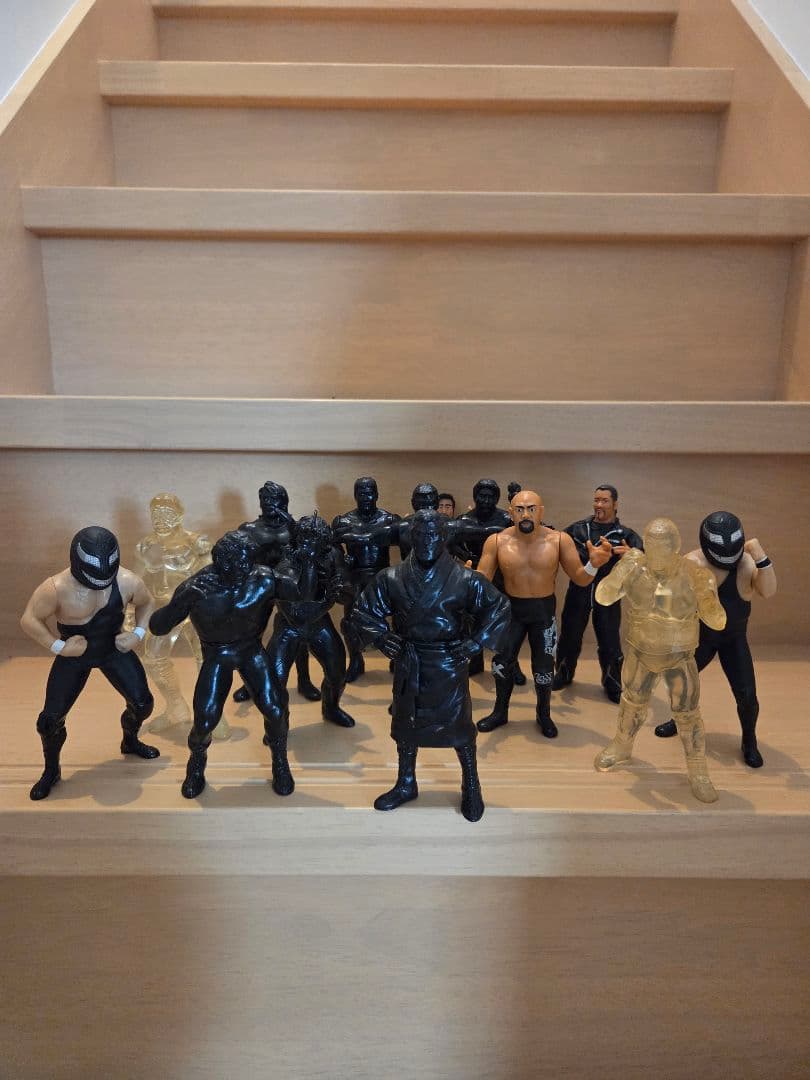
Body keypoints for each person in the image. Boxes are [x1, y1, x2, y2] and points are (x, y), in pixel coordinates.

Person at [350, 510, 510, 821]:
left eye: (434, 535)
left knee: (460, 730)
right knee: (406, 726)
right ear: (411, 538)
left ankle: (471, 784)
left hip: (448, 662)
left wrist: (476, 642)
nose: (427, 541)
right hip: (410, 661)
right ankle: (406, 782)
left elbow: (499, 607)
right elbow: (362, 611)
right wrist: (382, 637)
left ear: (445, 537)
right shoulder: (391, 577)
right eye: (420, 535)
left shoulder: (465, 579)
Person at [150, 530, 296, 799]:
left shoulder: (264, 578)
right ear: (222, 564)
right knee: (205, 719)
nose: (244, 570)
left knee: (276, 708)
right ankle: (197, 763)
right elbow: (158, 627)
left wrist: (304, 561)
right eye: (238, 564)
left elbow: (301, 594)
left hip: (251, 650)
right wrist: (182, 600)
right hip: (217, 654)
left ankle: (280, 760)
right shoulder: (197, 587)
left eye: (248, 563)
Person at [20, 526, 158, 801]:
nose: (100, 584)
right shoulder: (56, 587)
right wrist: (59, 646)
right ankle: (52, 770)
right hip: (74, 657)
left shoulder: (127, 580)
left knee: (143, 704)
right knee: (49, 721)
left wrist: (137, 634)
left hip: (112, 648)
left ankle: (130, 741)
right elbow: (29, 620)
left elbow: (147, 602)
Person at [594, 518, 726, 803]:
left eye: (662, 547)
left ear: (675, 546)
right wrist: (619, 573)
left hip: (678, 656)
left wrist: (706, 596)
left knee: (687, 715)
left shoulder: (695, 574)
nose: (654, 554)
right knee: (631, 703)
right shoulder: (635, 568)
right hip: (640, 653)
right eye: (650, 546)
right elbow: (603, 597)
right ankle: (622, 746)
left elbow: (718, 622)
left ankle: (698, 770)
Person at [475, 490, 613, 736]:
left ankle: (544, 714)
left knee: (544, 668)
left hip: (543, 612)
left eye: (531, 509)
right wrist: (467, 578)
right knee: (501, 664)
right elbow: (482, 580)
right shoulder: (497, 541)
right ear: (511, 513)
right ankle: (500, 711)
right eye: (519, 509)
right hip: (511, 612)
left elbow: (581, 579)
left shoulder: (559, 540)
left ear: (541, 512)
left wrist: (594, 564)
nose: (525, 514)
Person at [653, 511, 776, 768]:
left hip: (733, 639)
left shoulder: (746, 564)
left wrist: (761, 556)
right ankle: (678, 720)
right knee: (680, 684)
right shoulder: (693, 562)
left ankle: (749, 740)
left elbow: (768, 591)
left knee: (747, 696)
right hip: (701, 637)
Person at [553, 484, 643, 703]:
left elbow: (646, 563)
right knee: (570, 634)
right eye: (596, 500)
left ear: (615, 504)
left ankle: (612, 681)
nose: (599, 505)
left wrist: (633, 557)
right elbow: (555, 545)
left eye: (604, 500)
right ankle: (563, 672)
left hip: (609, 595)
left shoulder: (626, 535)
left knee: (610, 639)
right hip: (579, 591)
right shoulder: (577, 530)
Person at [135, 492, 215, 734]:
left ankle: (212, 713)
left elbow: (211, 577)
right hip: (164, 611)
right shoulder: (145, 545)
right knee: (153, 659)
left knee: (207, 659)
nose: (160, 520)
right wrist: (131, 612)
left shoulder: (196, 542)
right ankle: (176, 707)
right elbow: (137, 583)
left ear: (180, 515)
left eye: (167, 514)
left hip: (195, 608)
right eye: (156, 514)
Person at [233, 481, 320, 702]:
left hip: (289, 587)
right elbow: (238, 558)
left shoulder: (295, 528)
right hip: (259, 587)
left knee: (297, 634)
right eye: (265, 499)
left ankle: (304, 679)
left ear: (285, 502)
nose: (269, 503)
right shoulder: (249, 529)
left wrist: (292, 526)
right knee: (252, 636)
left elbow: (311, 549)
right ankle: (249, 682)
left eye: (275, 499)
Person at [267, 513, 355, 728]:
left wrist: (341, 586)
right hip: (289, 627)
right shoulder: (285, 562)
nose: (308, 546)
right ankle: (277, 725)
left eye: (314, 541)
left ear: (324, 542)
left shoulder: (332, 555)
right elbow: (298, 616)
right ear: (297, 539)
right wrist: (326, 595)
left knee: (337, 673)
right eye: (304, 540)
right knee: (275, 679)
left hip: (319, 623)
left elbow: (347, 594)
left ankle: (331, 707)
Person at [448, 478, 526, 683]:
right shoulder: (464, 520)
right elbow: (451, 542)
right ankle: (475, 661)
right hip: (474, 573)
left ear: (497, 498)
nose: (486, 500)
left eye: (491, 496)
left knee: (505, 620)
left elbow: (522, 537)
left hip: (502, 573)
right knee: (471, 619)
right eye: (482, 496)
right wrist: (467, 556)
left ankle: (510, 663)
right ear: (475, 497)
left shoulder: (506, 519)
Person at [331, 476, 399, 683]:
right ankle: (355, 660)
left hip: (383, 575)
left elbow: (406, 545)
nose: (366, 497)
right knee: (351, 620)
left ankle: (397, 658)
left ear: (377, 494)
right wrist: (342, 561)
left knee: (399, 618)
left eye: (370, 493)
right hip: (356, 576)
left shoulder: (389, 520)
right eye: (362, 493)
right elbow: (332, 547)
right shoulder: (344, 521)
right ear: (355, 495)